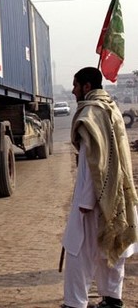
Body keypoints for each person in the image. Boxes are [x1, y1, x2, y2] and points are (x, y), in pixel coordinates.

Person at [61, 67, 138, 308]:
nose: (73, 91)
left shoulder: (91, 114)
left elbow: (94, 163)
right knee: (111, 247)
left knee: (78, 253)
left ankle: (75, 303)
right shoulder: (111, 107)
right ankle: (113, 298)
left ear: (86, 86)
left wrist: (86, 201)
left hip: (94, 199)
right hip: (115, 193)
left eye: (76, 85)